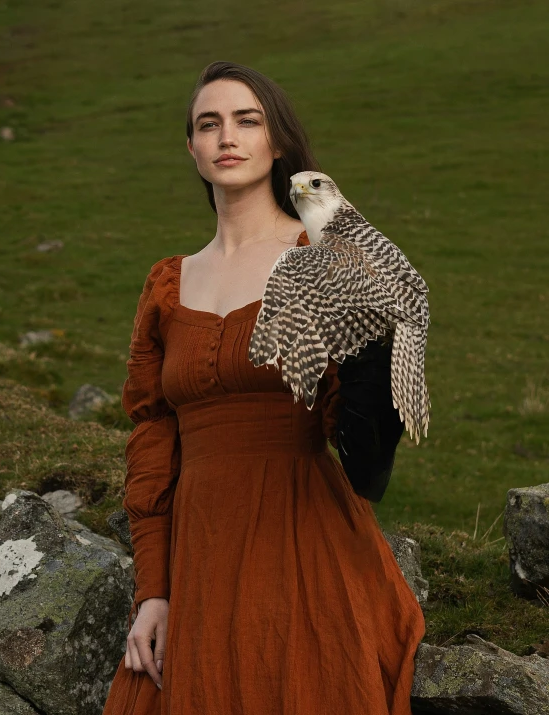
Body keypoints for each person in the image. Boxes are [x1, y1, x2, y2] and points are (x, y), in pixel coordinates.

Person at [102, 60, 425, 715]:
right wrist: (154, 590)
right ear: (191, 149)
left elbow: (363, 454)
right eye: (208, 123)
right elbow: (153, 438)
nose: (227, 135)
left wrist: (371, 345)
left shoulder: (325, 260)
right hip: (201, 554)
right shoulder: (167, 284)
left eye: (247, 120)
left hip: (303, 544)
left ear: (276, 142)